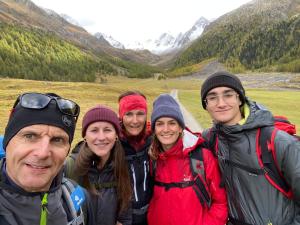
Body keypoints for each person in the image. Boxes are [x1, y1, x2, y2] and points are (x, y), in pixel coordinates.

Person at [200, 71, 300, 225]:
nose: (220, 103)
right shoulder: (210, 138)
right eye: (212, 97)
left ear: (240, 99)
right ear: (206, 105)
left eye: (228, 95)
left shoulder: (278, 142)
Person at [0, 92, 94, 225]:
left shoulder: (77, 199)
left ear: (67, 150)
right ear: (7, 143)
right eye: (30, 136)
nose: (43, 153)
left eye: (57, 140)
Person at [147, 93, 228, 225]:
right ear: (154, 129)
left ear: (180, 128)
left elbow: (220, 202)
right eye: (160, 124)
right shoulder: (152, 157)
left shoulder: (201, 157)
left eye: (172, 123)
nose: (166, 129)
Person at [65, 105, 132, 225]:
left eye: (107, 130)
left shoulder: (121, 165)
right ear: (85, 136)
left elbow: (125, 212)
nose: (101, 137)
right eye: (94, 130)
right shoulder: (69, 167)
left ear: (116, 135)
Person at [118, 91, 152, 225]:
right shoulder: (112, 144)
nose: (135, 121)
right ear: (121, 116)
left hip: (150, 217)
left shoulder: (154, 139)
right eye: (129, 114)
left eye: (140, 114)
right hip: (123, 220)